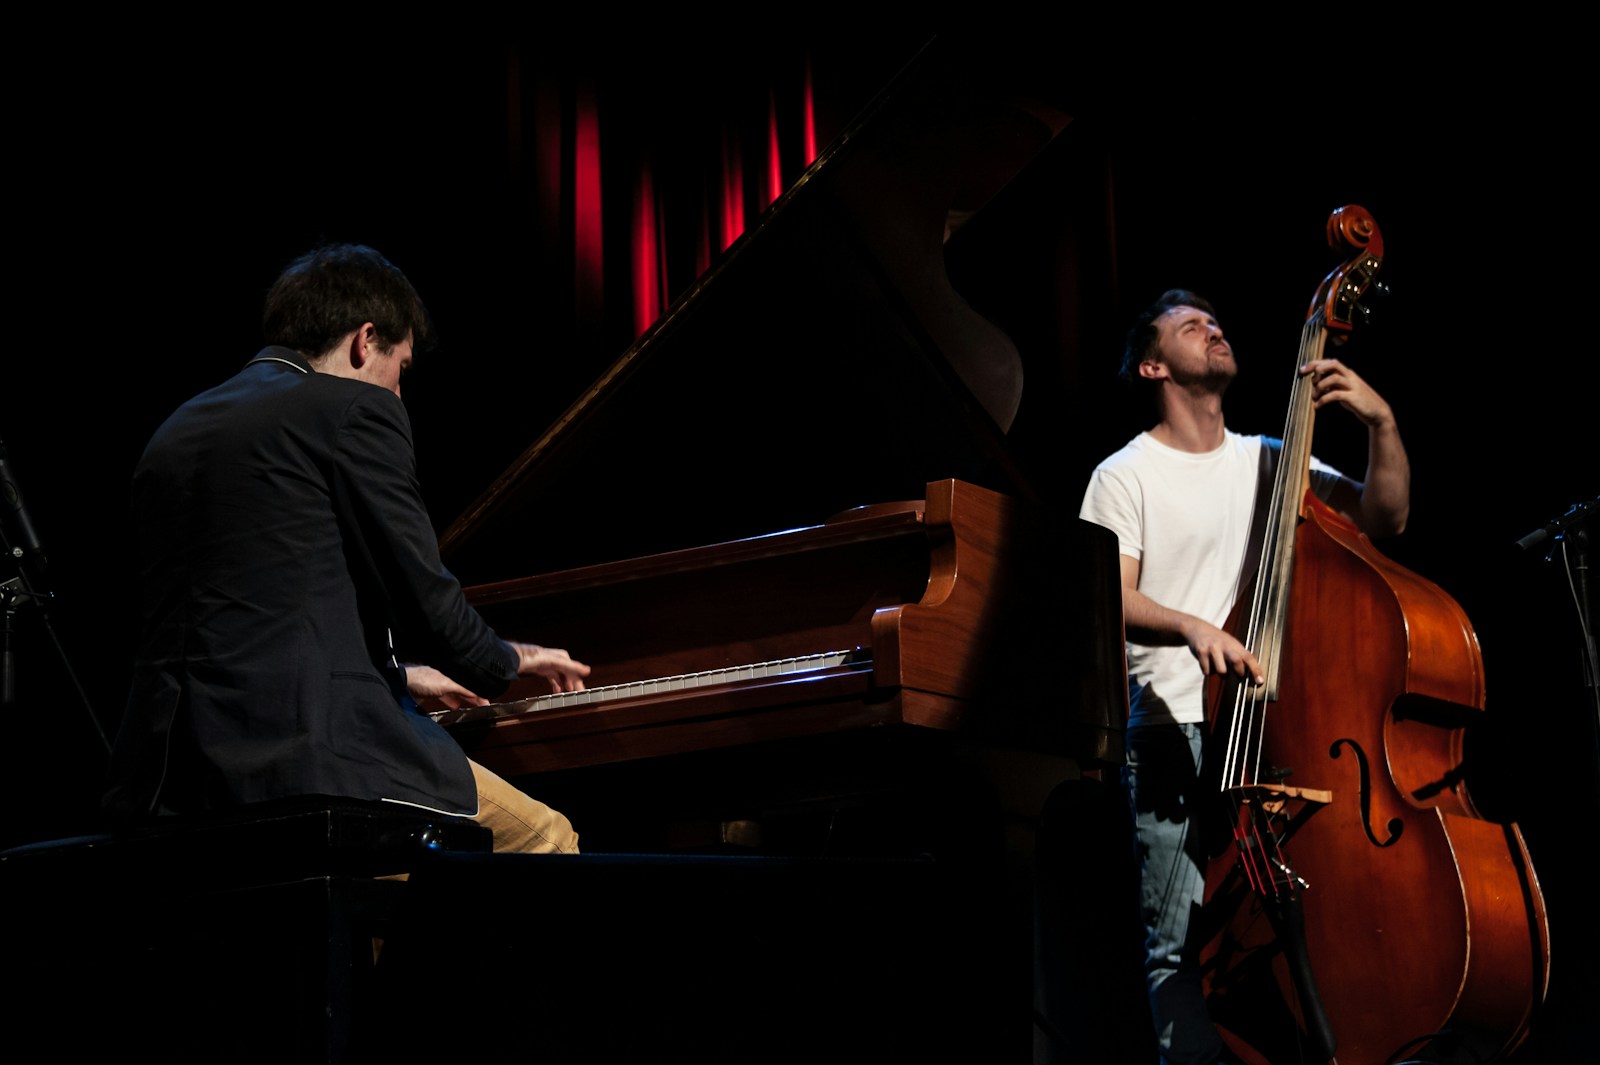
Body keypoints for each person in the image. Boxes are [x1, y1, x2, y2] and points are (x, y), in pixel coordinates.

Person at [103, 243, 587, 855]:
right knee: (549, 839)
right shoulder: (354, 410)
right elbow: (426, 603)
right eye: (402, 369)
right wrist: (507, 661)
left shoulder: (174, 431)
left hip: (170, 775)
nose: (399, 393)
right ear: (366, 340)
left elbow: (246, 620)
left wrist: (404, 677)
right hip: (315, 757)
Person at [1078, 289, 1409, 1065]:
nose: (1214, 327)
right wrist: (1193, 625)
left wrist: (1381, 423)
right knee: (1184, 951)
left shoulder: (1272, 457)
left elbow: (1384, 519)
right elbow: (1106, 597)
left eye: (1216, 320)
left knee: (1310, 929)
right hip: (1177, 731)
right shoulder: (1124, 474)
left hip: (1282, 730)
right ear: (1154, 365)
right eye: (1190, 326)